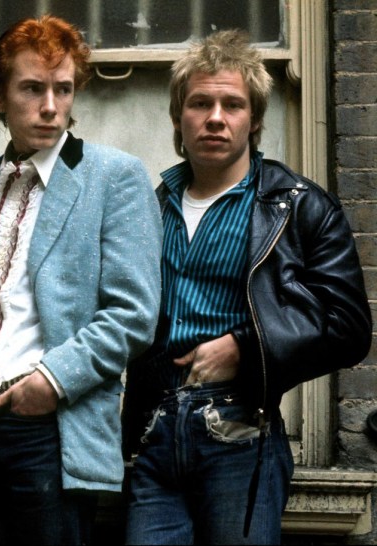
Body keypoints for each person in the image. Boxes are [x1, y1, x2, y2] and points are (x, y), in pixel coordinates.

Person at [122, 30, 373, 545]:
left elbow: (348, 328)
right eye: (200, 103)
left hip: (240, 427)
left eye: (232, 104)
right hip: (154, 432)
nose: (215, 117)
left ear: (254, 119)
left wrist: (245, 347)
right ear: (178, 117)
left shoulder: (298, 206)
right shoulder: (152, 205)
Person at [0, 15, 162, 546]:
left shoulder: (114, 176)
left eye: (64, 89)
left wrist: (51, 382)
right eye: (33, 88)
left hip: (48, 429)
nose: (51, 106)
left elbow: (134, 314)